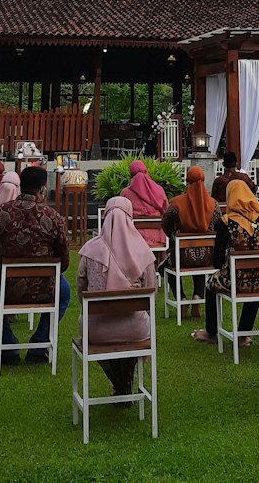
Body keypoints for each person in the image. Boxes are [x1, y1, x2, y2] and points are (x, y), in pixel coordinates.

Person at [0, 165, 70, 364]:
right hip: (44, 288)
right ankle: (39, 345)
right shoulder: (54, 218)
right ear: (43, 189)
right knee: (64, 291)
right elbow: (64, 260)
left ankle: (7, 346)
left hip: (3, 288)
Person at [76, 197, 157, 396]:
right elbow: (150, 291)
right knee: (133, 326)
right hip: (135, 329)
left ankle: (119, 382)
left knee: (89, 325)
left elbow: (81, 287)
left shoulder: (89, 249)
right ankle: (125, 379)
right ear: (130, 217)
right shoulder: (143, 251)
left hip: (96, 329)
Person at [192, 179, 259, 346]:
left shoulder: (226, 222)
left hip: (235, 280)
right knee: (255, 280)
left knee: (211, 286)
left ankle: (211, 332)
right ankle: (243, 334)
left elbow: (217, 260)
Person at [161, 165, 220, 319]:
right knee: (199, 261)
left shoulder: (176, 204)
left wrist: (175, 235)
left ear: (187, 182)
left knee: (165, 265)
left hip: (182, 256)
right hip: (207, 257)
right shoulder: (213, 205)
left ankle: (182, 298)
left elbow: (165, 225)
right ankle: (197, 296)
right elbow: (218, 226)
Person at [120, 160, 168, 249]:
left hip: (134, 238)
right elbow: (166, 212)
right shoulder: (159, 190)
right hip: (158, 238)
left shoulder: (125, 193)